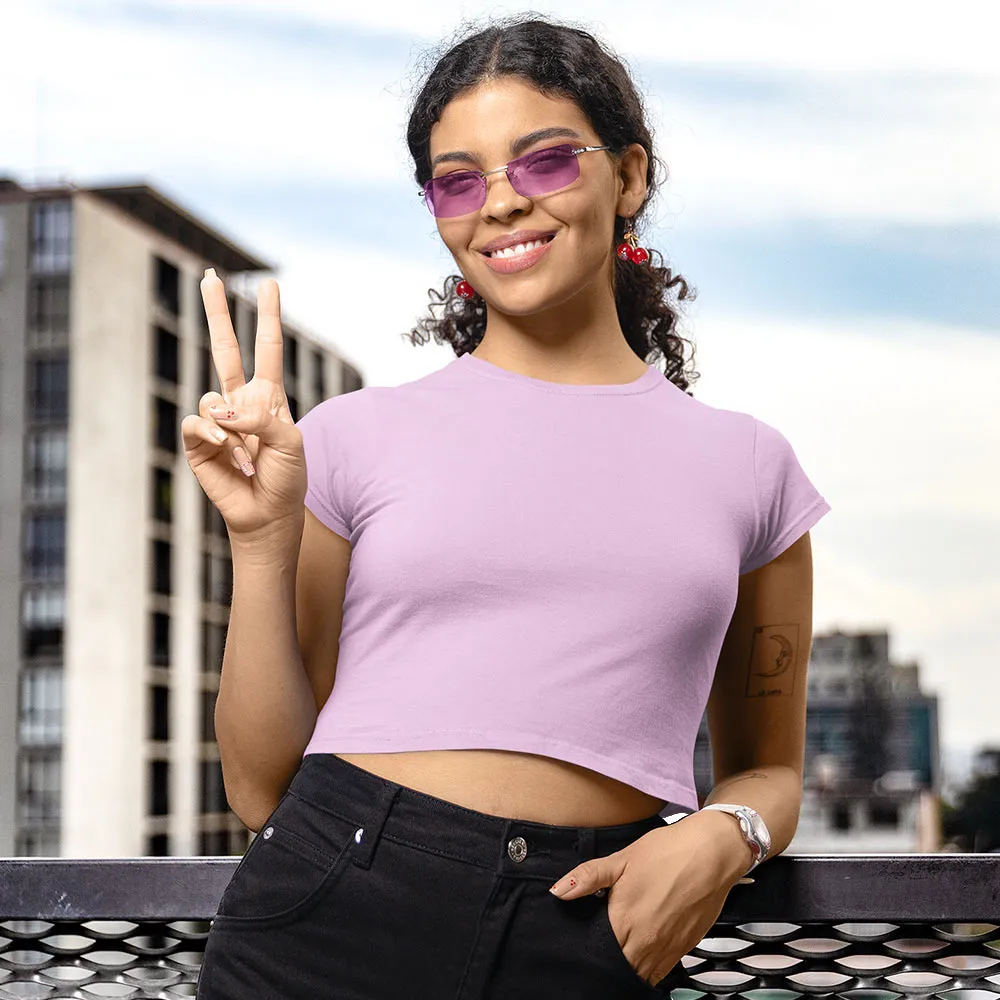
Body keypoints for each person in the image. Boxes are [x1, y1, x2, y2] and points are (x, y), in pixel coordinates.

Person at [186, 15, 831, 1000]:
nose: (499, 205)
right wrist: (262, 540)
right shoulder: (353, 437)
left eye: (542, 162)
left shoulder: (751, 469)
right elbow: (259, 788)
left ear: (630, 175)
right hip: (323, 916)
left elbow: (769, 772)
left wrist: (723, 833)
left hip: (588, 927)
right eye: (458, 178)